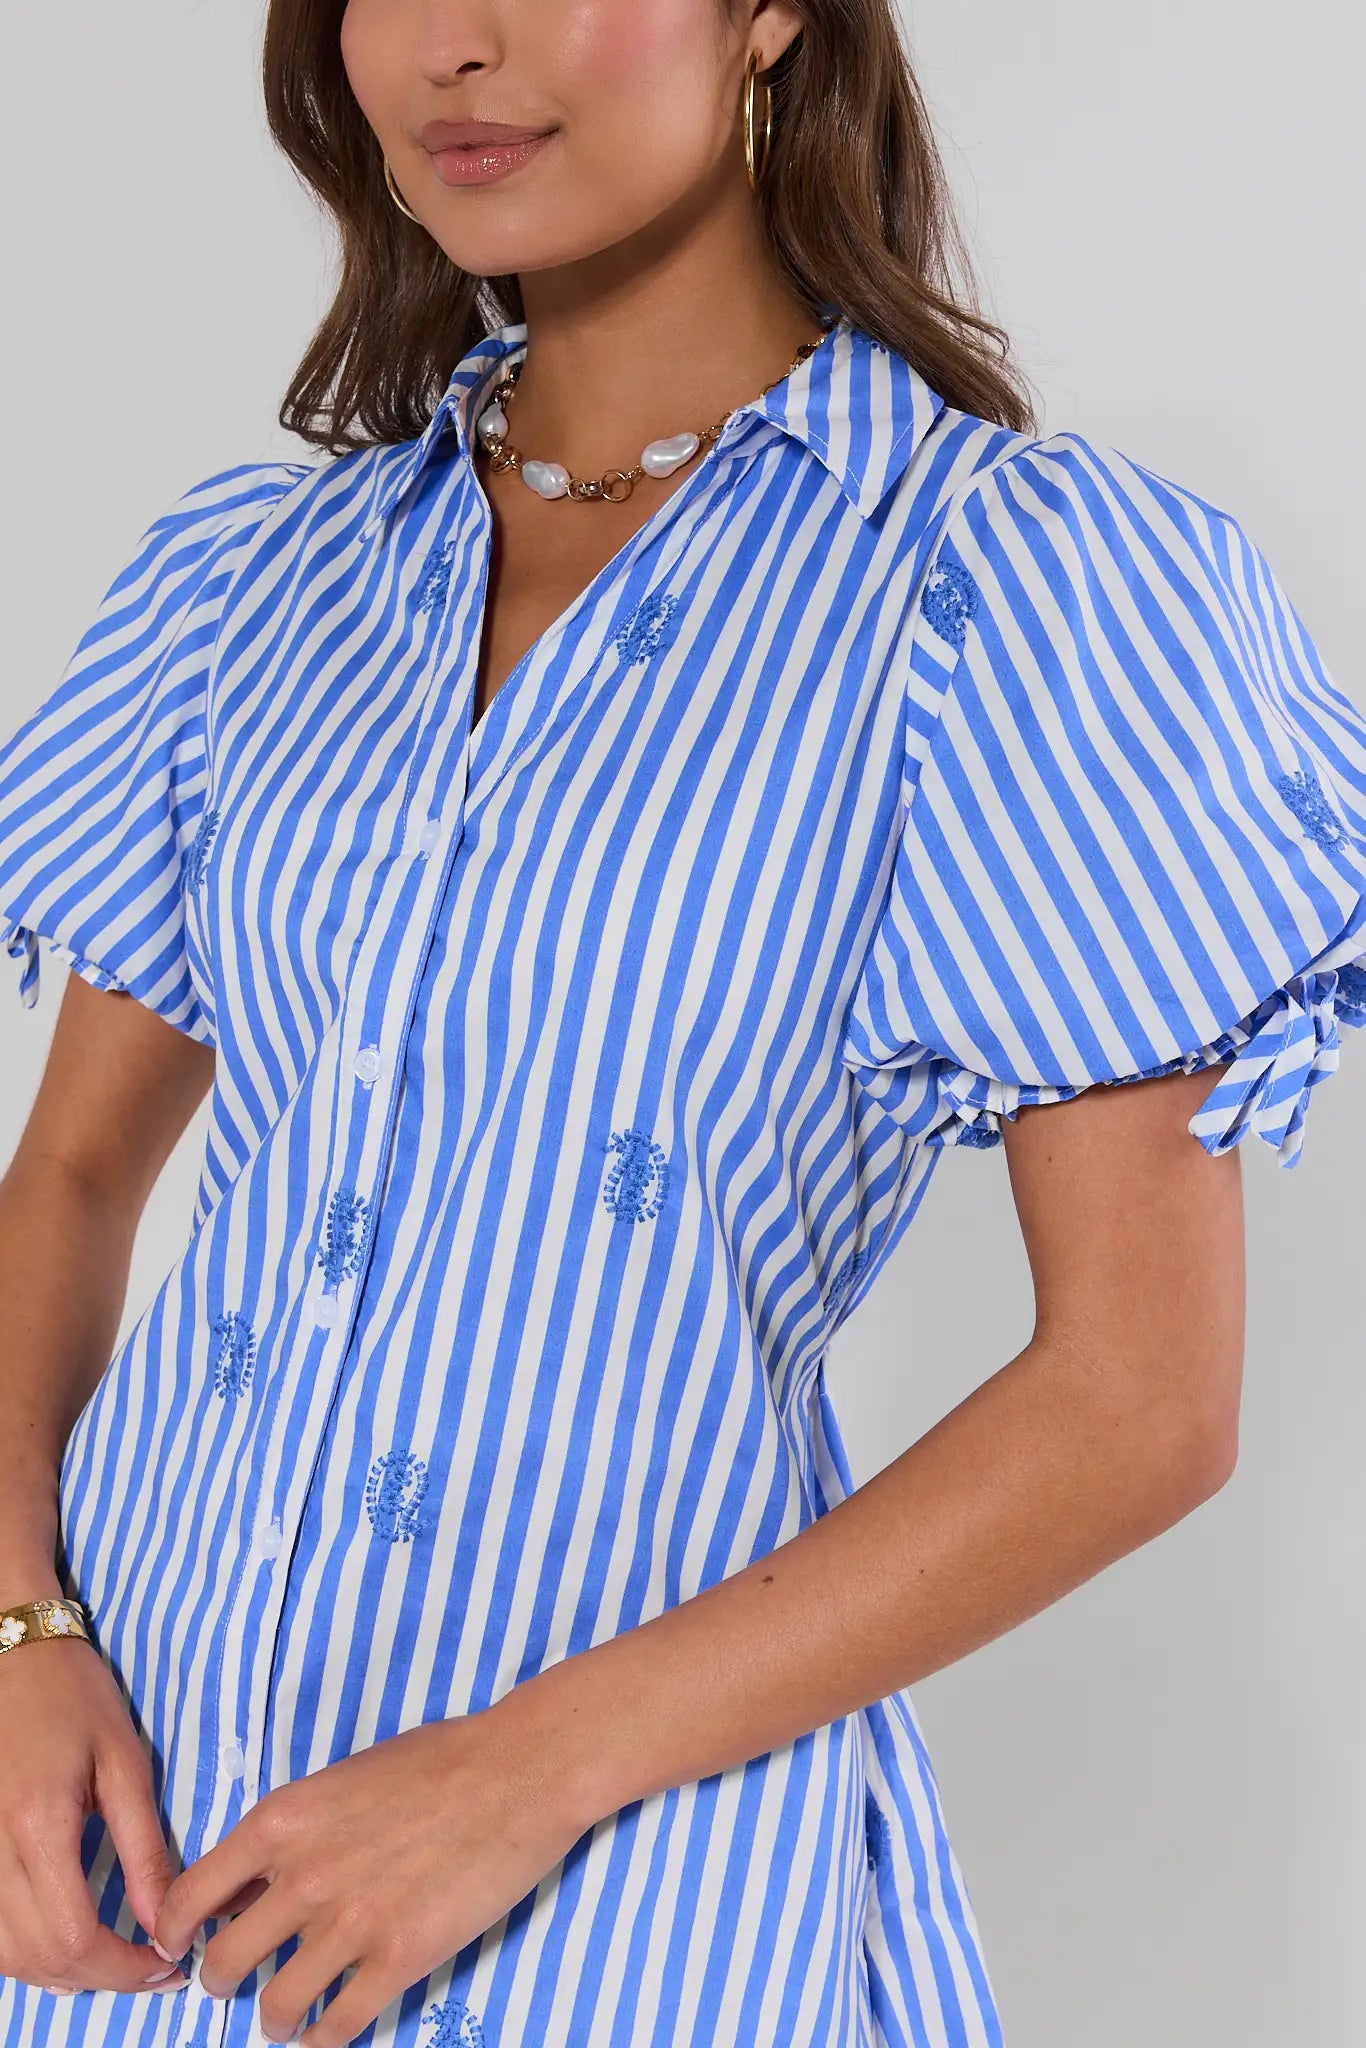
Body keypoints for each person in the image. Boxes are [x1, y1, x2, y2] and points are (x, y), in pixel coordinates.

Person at [0, 2, 1362, 2046]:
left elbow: (1140, 1397)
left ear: (770, 13)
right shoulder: (250, 584)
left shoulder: (1003, 585)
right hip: (127, 1860)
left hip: (621, 1893)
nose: (451, 47)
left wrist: (517, 1775)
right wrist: (18, 1630)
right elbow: (74, 1174)